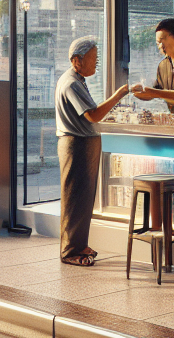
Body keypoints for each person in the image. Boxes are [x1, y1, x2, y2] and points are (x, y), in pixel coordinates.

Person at [55, 36, 130, 266]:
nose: (96, 63)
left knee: (83, 199)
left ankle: (78, 244)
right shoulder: (71, 84)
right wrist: (120, 94)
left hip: (83, 144)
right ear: (77, 60)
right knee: (75, 199)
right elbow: (94, 115)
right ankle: (70, 251)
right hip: (76, 145)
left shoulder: (77, 79)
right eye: (93, 58)